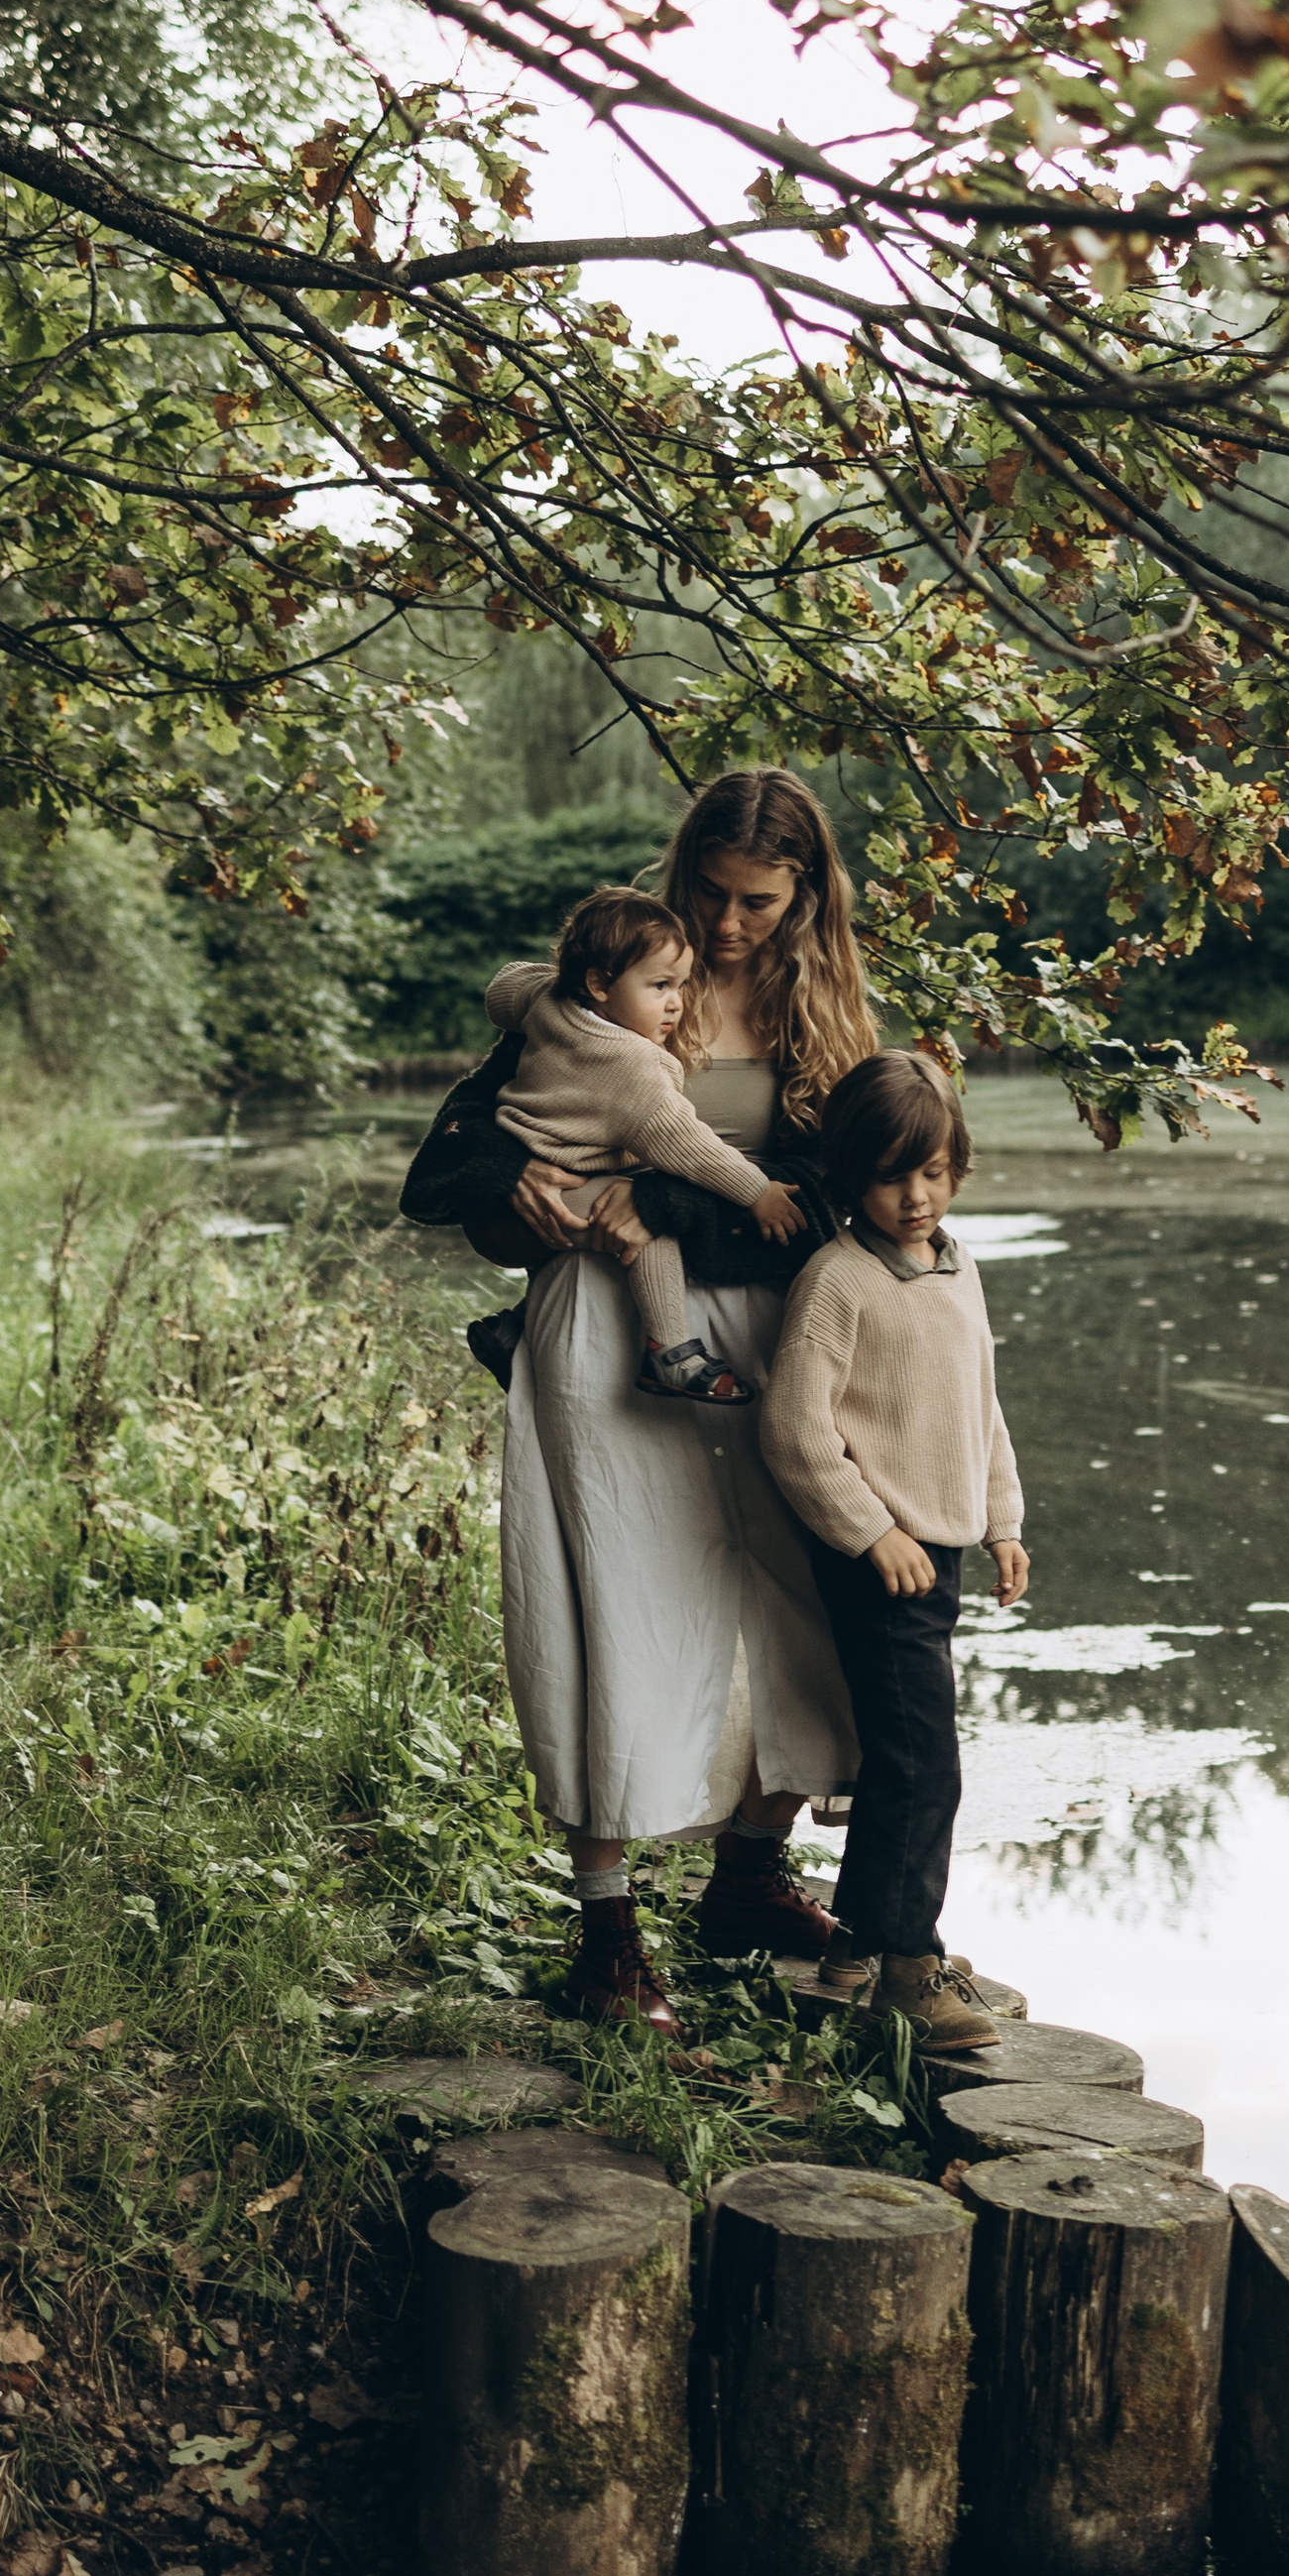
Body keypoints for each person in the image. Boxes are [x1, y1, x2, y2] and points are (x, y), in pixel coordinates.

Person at [401, 768, 879, 2033]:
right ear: (683, 878)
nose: (730, 928)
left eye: (761, 904)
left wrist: (661, 1199)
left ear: (806, 894)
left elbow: (852, 1188)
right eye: (714, 897)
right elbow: (470, 1142)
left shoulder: (825, 1011)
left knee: (794, 1592)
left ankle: (750, 1878)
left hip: (767, 1332)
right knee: (613, 1595)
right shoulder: (608, 978)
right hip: (601, 1330)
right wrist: (514, 1190)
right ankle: (607, 1932)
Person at [761, 1048, 1027, 2059]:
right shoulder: (837, 1282)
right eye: (888, 1175)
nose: (914, 1196)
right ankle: (907, 1972)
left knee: (902, 1763)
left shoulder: (958, 1266)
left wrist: (1000, 1521)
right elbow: (793, 1432)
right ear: (847, 1176)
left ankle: (860, 1950)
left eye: (932, 1170)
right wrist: (872, 1529)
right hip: (878, 1556)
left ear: (958, 1165)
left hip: (941, 1545)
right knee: (924, 1767)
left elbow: (979, 1411)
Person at [481, 884, 809, 1406]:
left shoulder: (549, 1002)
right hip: (565, 1187)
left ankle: (513, 1331)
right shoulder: (634, 1068)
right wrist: (758, 1192)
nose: (676, 1002)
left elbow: (503, 991)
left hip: (523, 1169)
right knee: (650, 1226)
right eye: (659, 986)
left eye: (680, 985)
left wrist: (546, 982)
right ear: (600, 984)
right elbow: (691, 1146)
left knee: (629, 1201)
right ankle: (670, 1353)